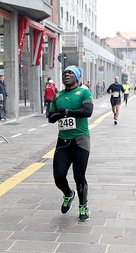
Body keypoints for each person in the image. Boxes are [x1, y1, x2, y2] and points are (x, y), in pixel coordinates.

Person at [48, 65, 93, 222]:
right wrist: (57, 115)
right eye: (65, 73)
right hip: (63, 141)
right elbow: (50, 117)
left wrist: (67, 113)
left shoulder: (84, 92)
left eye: (70, 73)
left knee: (79, 176)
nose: (66, 75)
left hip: (81, 140)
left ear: (77, 77)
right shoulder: (58, 95)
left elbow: (88, 112)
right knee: (58, 177)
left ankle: (83, 206)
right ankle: (68, 194)